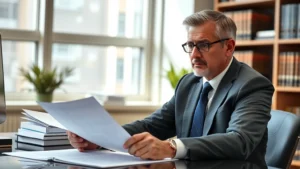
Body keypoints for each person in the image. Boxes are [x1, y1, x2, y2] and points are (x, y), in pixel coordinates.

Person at [67, 9, 274, 166]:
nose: (194, 55)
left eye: (203, 45)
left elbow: (239, 141)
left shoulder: (252, 85)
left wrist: (171, 147)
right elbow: (154, 125)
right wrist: (99, 138)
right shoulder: (189, 83)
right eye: (190, 46)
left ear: (228, 47)